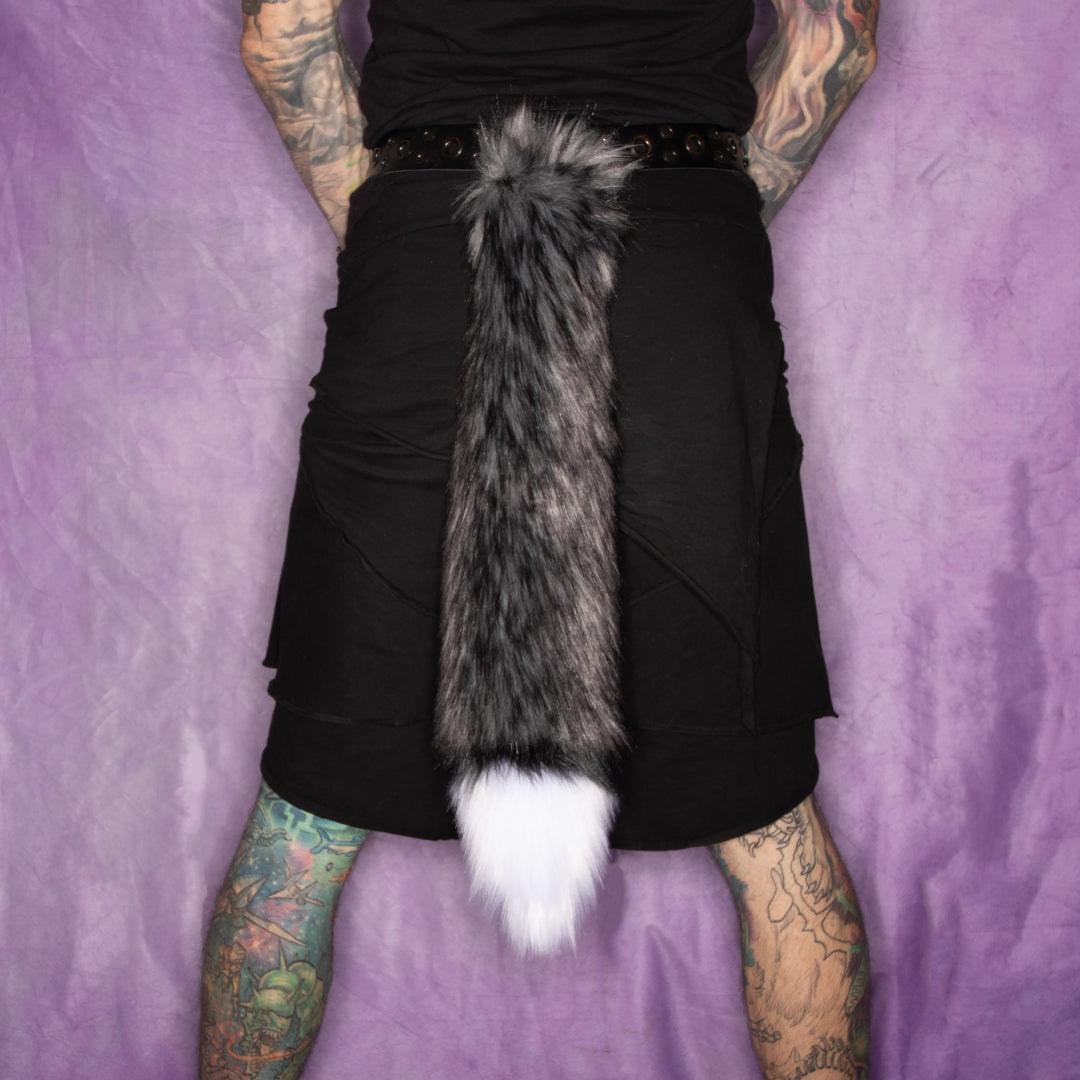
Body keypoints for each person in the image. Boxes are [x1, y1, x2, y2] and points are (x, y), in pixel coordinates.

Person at [200, 1, 878, 1077]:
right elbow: (836, 36)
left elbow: (282, 33)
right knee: (769, 826)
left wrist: (397, 222)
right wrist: (693, 208)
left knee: (305, 825)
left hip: (432, 249)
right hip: (679, 264)